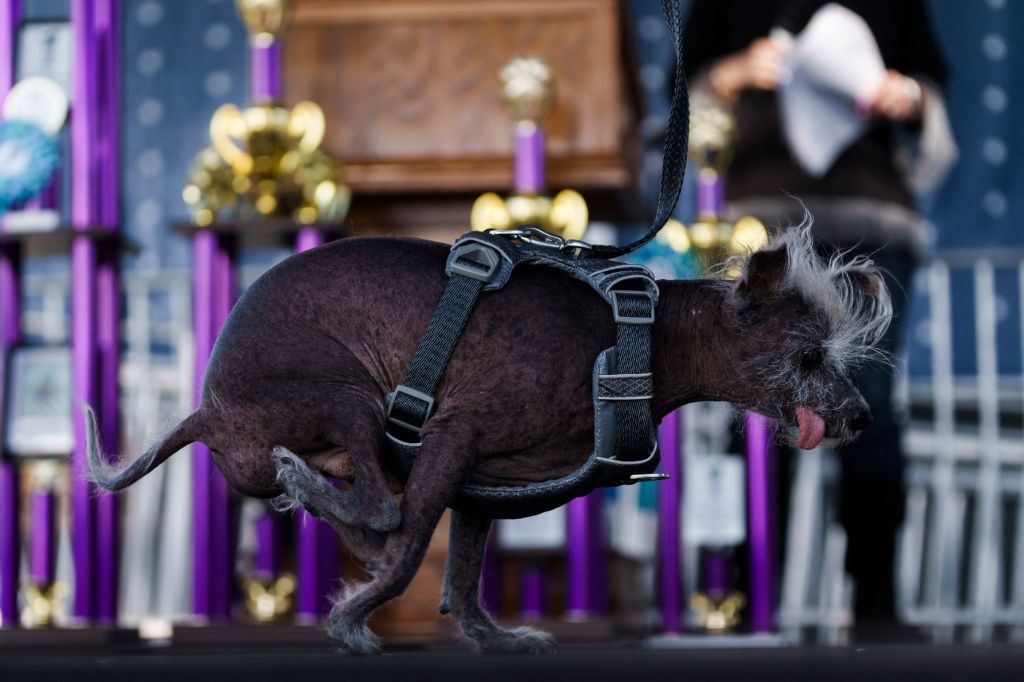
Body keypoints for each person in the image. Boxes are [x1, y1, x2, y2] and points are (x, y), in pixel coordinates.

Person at [681, 0, 955, 632]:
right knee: (754, 413)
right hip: (759, 221)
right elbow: (679, 104)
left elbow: (931, 99)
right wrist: (733, 73)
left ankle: (878, 608)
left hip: (871, 220)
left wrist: (904, 95)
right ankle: (743, 602)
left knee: (871, 412)